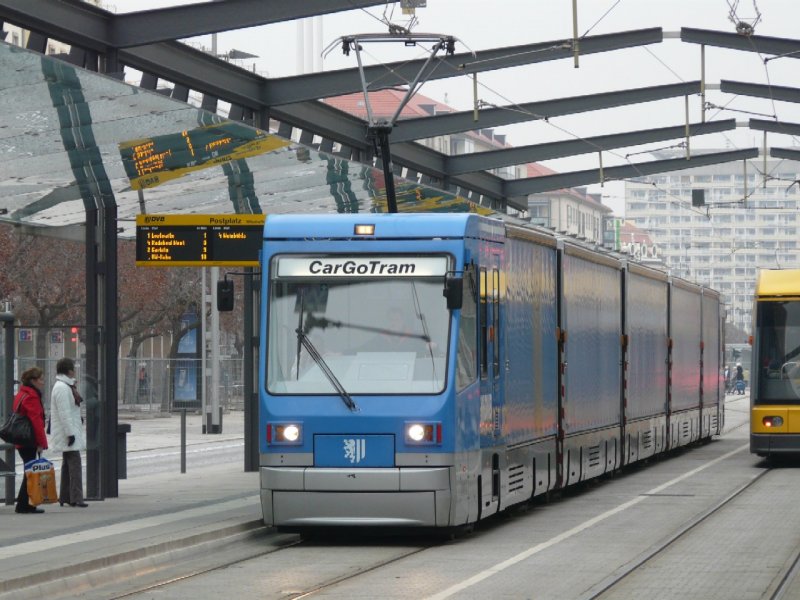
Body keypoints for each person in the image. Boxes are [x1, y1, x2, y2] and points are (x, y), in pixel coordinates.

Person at [49, 357, 88, 508]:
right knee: (75, 465)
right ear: (69, 371)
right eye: (73, 368)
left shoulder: (65, 386)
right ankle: (77, 498)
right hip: (67, 433)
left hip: (68, 431)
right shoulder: (62, 388)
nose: (75, 371)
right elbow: (64, 413)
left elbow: (69, 411)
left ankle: (65, 496)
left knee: (67, 465)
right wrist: (70, 433)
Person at [13, 366, 48, 514]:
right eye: (40, 379)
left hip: (21, 439)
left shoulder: (21, 394)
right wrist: (42, 442)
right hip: (29, 440)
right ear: (33, 381)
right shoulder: (32, 396)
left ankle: (26, 504)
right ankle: (23, 505)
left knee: (30, 471)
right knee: (31, 472)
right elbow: (36, 421)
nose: (43, 382)